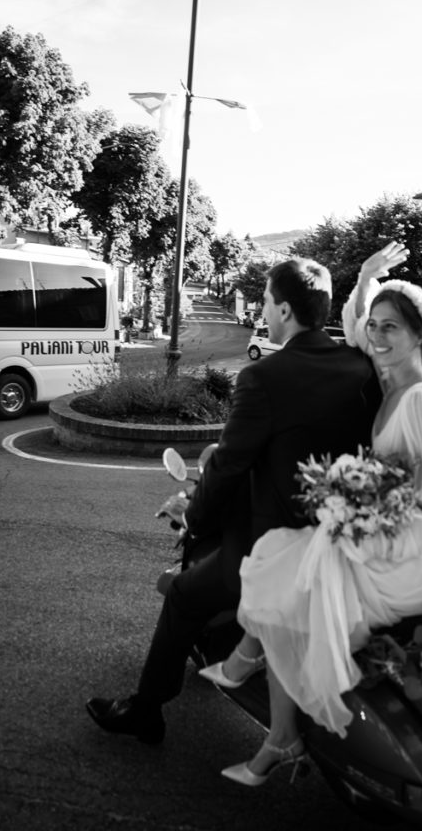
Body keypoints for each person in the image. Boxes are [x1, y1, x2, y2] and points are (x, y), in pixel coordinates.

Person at [206, 243, 422, 786]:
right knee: (275, 555)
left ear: (421, 338)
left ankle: (275, 725)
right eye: (374, 326)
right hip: (392, 534)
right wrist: (363, 280)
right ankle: (254, 679)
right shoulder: (390, 377)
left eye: (391, 330)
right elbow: (356, 327)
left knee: (292, 582)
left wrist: (382, 521)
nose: (376, 337)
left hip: (418, 555)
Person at [85, 258, 380, 745]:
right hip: (348, 542)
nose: (263, 309)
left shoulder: (264, 376)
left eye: (265, 301)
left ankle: (146, 710)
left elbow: (228, 464)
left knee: (182, 596)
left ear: (284, 310)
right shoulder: (358, 365)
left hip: (275, 547)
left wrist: (195, 515)